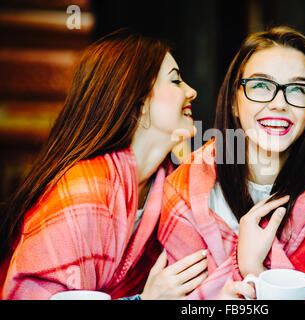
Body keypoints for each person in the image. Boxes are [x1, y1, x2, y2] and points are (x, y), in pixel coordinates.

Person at [158, 26, 305, 299]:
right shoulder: (186, 188)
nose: (279, 103)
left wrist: (255, 270)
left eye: (297, 89)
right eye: (261, 85)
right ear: (234, 103)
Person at [0, 28, 210, 300]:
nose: (191, 91)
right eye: (175, 81)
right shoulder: (83, 193)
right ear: (139, 100)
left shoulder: (171, 184)